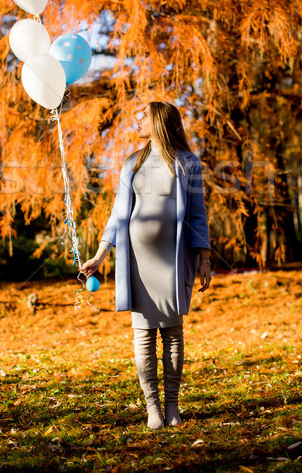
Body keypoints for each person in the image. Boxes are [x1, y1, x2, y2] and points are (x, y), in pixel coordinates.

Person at [80, 101, 211, 430]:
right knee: (143, 335)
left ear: (161, 123)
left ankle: (172, 405)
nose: (139, 121)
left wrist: (205, 259)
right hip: (136, 262)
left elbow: (197, 215)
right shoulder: (132, 163)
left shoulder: (187, 163)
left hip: (174, 259)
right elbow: (118, 214)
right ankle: (152, 407)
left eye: (145, 117)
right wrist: (99, 255)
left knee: (173, 333)